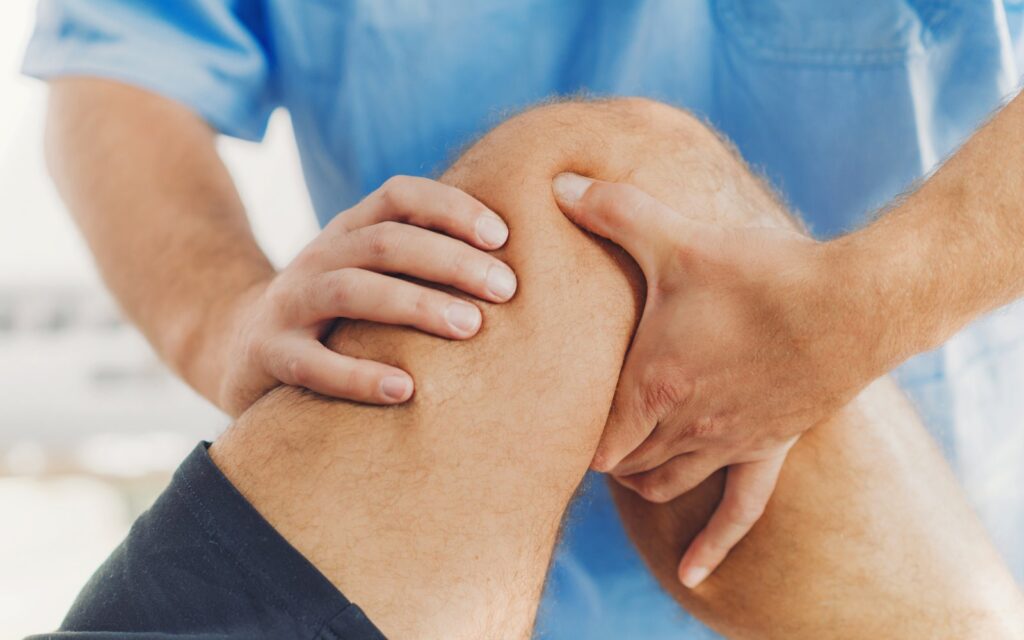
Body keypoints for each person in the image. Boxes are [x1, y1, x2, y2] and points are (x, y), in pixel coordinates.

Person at [22, 2, 1024, 636]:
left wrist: (858, 309)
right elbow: (121, 58)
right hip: (416, 530)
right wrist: (220, 320)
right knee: (591, 184)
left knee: (599, 180)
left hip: (912, 503)